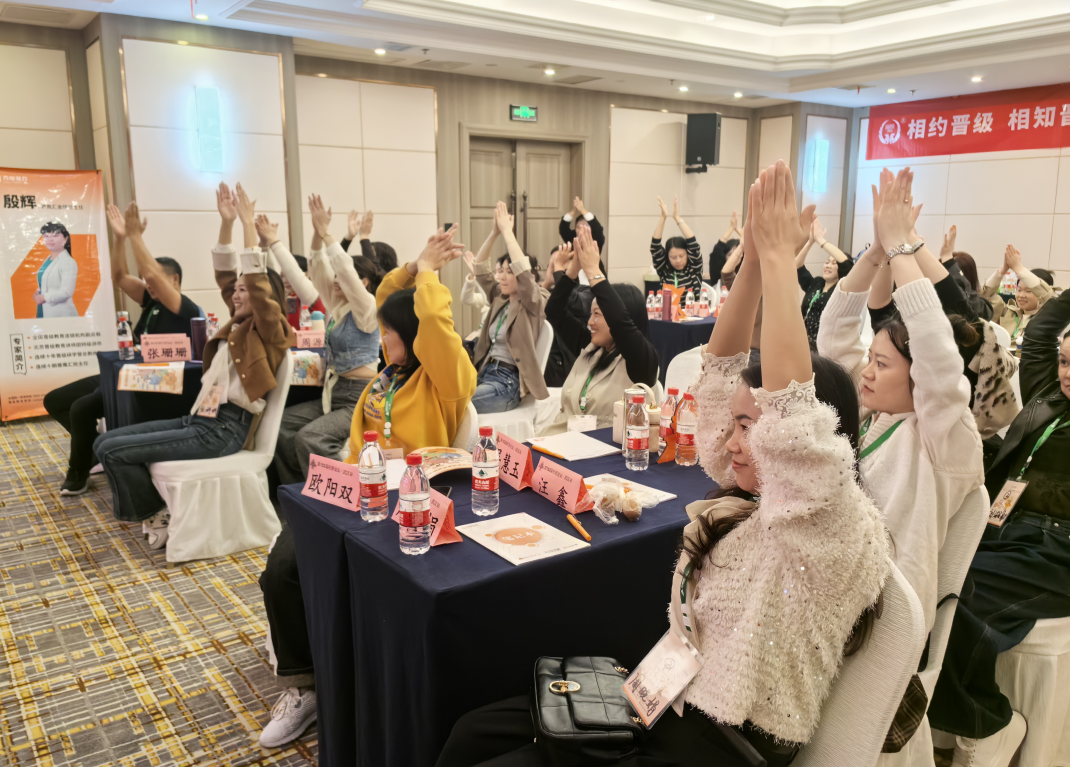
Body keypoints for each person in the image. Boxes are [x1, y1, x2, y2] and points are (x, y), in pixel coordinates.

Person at [436, 161, 890, 767]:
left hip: (723, 742)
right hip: (669, 695)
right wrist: (753, 264)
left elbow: (792, 424)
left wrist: (784, 264)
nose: (729, 440)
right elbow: (717, 385)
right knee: (472, 732)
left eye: (750, 428)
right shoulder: (750, 499)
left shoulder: (832, 524)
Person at [256, 227, 476, 749]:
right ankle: (306, 682)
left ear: (413, 334)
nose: (379, 336)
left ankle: (321, 676)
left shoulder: (442, 379)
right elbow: (382, 299)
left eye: (389, 331)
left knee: (293, 569)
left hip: (401, 502)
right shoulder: (390, 371)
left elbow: (436, 326)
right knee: (282, 571)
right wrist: (414, 265)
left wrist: (426, 277)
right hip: (354, 489)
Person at [817, 167, 985, 638]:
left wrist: (902, 249)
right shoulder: (873, 411)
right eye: (870, 360)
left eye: (883, 365)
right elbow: (834, 336)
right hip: (836, 585)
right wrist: (875, 252)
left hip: (888, 616)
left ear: (920, 378)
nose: (867, 372)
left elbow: (934, 348)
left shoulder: (943, 435)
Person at [92, 184, 294, 549]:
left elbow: (258, 283)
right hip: (202, 420)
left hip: (225, 431)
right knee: (105, 441)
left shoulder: (271, 330)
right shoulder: (238, 324)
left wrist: (250, 226)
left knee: (114, 452)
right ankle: (157, 510)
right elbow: (224, 275)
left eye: (245, 290)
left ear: (267, 298)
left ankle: (156, 513)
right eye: (236, 290)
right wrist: (227, 223)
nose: (236, 293)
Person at [928, 279, 1070, 766]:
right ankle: (956, 718)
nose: (1068, 372)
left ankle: (989, 721)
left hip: (1058, 552)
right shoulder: (1051, 395)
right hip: (1005, 529)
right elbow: (1041, 332)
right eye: (1067, 361)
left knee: (956, 599)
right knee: (930, 582)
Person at [43, 204, 202, 496]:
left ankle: (78, 473)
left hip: (152, 384)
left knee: (80, 408)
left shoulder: (186, 308)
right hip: (125, 373)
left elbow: (151, 277)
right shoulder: (151, 301)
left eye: (156, 278)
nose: (148, 283)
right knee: (55, 399)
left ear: (175, 281)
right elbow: (119, 277)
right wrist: (119, 238)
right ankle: (92, 450)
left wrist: (134, 235)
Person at [266, 194, 383, 485]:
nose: (334, 279)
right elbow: (310, 270)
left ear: (363, 283)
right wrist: (276, 243)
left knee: (311, 438)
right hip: (334, 392)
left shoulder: (367, 309)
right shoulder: (336, 308)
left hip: (359, 398)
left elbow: (342, 267)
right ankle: (298, 493)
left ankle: (343, 497)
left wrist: (330, 234)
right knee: (279, 427)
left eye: (345, 277)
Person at [540, 224, 658, 435]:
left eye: (598, 315)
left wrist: (593, 270)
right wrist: (573, 271)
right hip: (559, 440)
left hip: (600, 454)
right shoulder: (592, 347)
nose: (590, 322)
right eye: (591, 313)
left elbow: (621, 323)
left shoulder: (641, 361)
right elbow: (554, 311)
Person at [468, 201, 549, 413]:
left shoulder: (535, 300)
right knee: (443, 395)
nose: (502, 276)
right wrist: (494, 233)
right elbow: (479, 268)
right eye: (501, 271)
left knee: (458, 405)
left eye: (509, 271)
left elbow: (523, 273)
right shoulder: (500, 297)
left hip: (507, 382)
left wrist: (508, 233)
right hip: (483, 372)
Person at [981, 244, 1054, 350]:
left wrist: (1019, 269)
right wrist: (1001, 272)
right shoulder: (1008, 312)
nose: (1021, 295)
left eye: (1029, 291)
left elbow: (1049, 297)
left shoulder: (1049, 317)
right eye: (1019, 290)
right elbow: (986, 298)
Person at [795, 217, 853, 346]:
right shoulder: (817, 283)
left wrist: (821, 241)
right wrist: (810, 242)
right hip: (804, 344)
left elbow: (846, 264)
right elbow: (797, 265)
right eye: (827, 262)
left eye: (834, 263)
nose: (828, 266)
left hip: (827, 347)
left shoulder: (843, 288)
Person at [650, 194, 703, 294]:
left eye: (682, 256)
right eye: (673, 257)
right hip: (668, 309)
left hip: (690, 309)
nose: (678, 260)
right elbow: (655, 247)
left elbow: (693, 243)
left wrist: (677, 218)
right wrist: (663, 218)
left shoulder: (694, 269)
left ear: (687, 254)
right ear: (667, 257)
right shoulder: (664, 270)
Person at [34, 222, 79, 318]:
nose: (50, 239)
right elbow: (50, 283)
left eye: (55, 235)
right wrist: (39, 291)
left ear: (65, 239)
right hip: (43, 309)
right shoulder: (49, 259)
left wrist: (43, 297)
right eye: (46, 236)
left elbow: (66, 291)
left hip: (60, 313)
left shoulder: (68, 261)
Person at [707, 210, 741, 282]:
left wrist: (737, 229)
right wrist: (731, 228)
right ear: (724, 256)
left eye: (736, 255)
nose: (733, 258)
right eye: (729, 255)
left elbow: (756, 246)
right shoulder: (718, 272)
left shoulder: (746, 271)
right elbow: (717, 250)